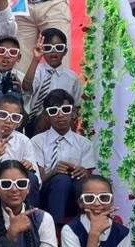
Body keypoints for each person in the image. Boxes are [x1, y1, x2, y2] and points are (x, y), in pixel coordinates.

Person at [32, 90, 96, 226]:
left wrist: (83, 172)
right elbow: (38, 180)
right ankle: (56, 227)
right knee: (62, 179)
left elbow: (90, 181)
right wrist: (54, 171)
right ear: (47, 116)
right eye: (53, 111)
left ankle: (85, 226)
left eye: (65, 110)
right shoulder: (37, 141)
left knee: (80, 182)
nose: (60, 115)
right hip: (47, 195)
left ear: (73, 113)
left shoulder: (84, 143)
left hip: (74, 196)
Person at [22, 30, 81, 134]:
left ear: (65, 51)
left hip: (63, 119)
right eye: (48, 48)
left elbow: (77, 105)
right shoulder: (36, 70)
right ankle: (36, 142)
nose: (53, 51)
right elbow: (26, 87)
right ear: (43, 50)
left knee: (69, 115)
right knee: (48, 114)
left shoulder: (72, 78)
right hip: (36, 121)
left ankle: (70, 142)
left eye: (59, 48)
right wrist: (36, 59)